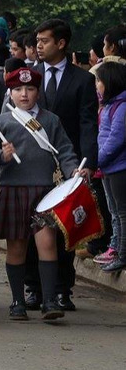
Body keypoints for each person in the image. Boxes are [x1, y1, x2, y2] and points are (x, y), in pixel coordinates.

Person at [0, 67, 81, 320]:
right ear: (10, 93)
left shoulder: (51, 120)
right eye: (18, 90)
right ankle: (17, 301)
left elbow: (64, 151)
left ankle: (50, 300)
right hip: (12, 190)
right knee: (17, 248)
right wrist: (1, 156)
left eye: (30, 89)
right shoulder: (1, 121)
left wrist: (73, 170)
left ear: (38, 92)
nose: (24, 94)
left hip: (44, 192)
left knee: (47, 244)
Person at [25, 19, 98, 311]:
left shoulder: (83, 80)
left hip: (70, 165)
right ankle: (33, 288)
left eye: (44, 41)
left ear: (62, 43)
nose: (39, 46)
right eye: (37, 41)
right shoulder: (29, 77)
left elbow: (88, 123)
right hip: (32, 164)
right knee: (33, 225)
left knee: (65, 226)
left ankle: (62, 289)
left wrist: (88, 161)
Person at [95, 62, 126, 272]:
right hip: (107, 166)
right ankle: (116, 249)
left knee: (122, 213)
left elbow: (116, 138)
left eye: (99, 80)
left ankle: (122, 255)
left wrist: (98, 160)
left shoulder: (122, 106)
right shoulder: (110, 104)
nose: (97, 85)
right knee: (114, 211)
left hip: (117, 167)